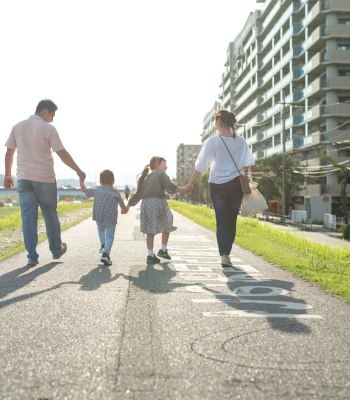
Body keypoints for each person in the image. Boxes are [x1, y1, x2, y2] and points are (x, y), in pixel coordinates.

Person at [4, 99, 86, 267]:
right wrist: (78, 171)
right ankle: (56, 250)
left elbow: (9, 152)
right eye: (53, 115)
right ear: (46, 111)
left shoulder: (18, 126)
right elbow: (61, 153)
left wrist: (7, 175)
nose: (53, 119)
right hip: (45, 179)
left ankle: (32, 256)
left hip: (24, 179)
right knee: (50, 214)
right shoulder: (48, 128)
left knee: (28, 218)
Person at [185, 109, 255, 267]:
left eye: (216, 122)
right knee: (231, 220)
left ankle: (224, 254)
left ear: (219, 123)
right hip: (236, 185)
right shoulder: (242, 141)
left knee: (221, 220)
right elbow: (249, 163)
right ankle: (227, 253)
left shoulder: (213, 142)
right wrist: (252, 182)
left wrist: (191, 182)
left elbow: (201, 165)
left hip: (218, 186)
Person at [127, 156, 188, 264]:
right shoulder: (161, 174)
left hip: (146, 204)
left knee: (150, 230)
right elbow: (170, 187)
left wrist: (128, 206)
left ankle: (150, 255)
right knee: (168, 222)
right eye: (164, 164)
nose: (166, 167)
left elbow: (138, 194)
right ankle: (163, 249)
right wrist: (184, 189)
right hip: (158, 203)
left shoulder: (145, 178)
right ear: (157, 164)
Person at [80, 169, 128, 265]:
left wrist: (81, 180)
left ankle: (103, 245)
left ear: (100, 181)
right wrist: (124, 210)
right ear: (113, 181)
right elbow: (123, 206)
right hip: (110, 218)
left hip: (99, 217)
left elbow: (85, 190)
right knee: (110, 237)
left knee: (101, 229)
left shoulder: (97, 189)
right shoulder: (115, 192)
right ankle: (106, 254)